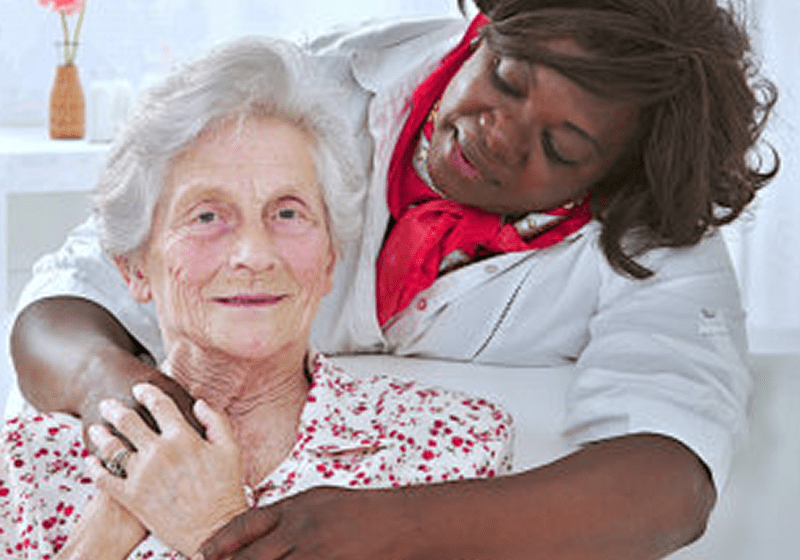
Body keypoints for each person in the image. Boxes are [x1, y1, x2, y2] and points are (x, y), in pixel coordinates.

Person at [9, 0, 778, 558]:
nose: (499, 135)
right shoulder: (310, 91)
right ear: (483, 28)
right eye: (506, 79)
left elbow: (669, 482)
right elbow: (70, 295)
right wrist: (123, 406)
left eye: (562, 148)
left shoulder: (466, 442)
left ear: (616, 178)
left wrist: (393, 526)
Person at [0, 38, 513, 559]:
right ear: (134, 268)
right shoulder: (32, 462)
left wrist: (213, 526)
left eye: (287, 213)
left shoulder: (451, 447)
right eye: (207, 216)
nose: (255, 255)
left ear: (330, 258)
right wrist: (107, 530)